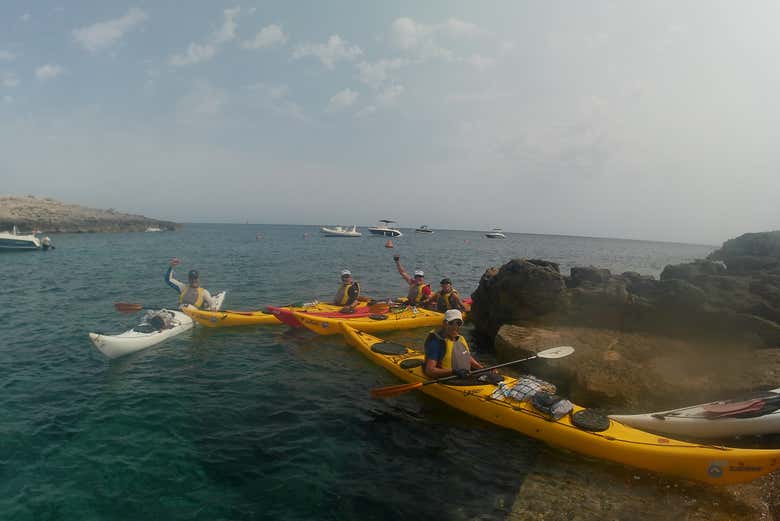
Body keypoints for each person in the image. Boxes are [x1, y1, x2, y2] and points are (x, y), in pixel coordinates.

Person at [423, 309, 484, 379]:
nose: (455, 327)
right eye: (451, 323)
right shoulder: (436, 343)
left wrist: (481, 368)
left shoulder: (460, 339)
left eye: (458, 323)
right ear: (444, 323)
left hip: (462, 376)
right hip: (447, 379)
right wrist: (454, 371)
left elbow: (466, 357)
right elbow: (430, 370)